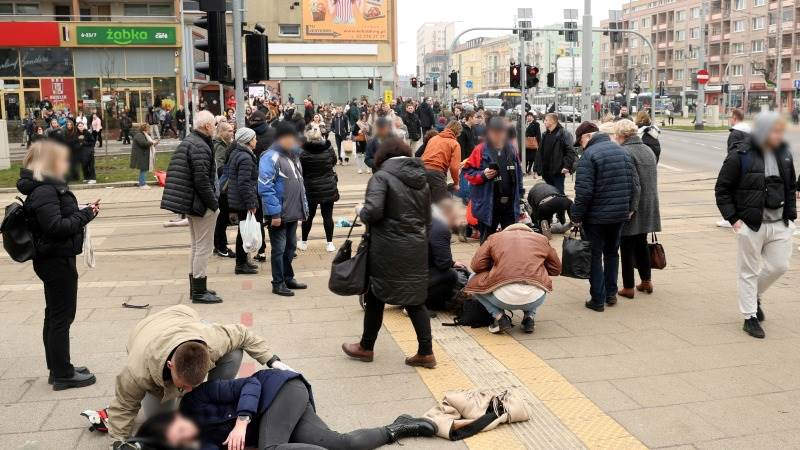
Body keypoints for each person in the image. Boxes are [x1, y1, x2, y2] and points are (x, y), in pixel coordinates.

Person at [94, 305, 288, 443]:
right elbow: (123, 409)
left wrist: (273, 361)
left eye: (193, 385)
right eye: (185, 385)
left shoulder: (212, 342)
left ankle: (215, 393)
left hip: (183, 317)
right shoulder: (136, 372)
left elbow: (243, 333)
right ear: (170, 365)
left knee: (234, 351)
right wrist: (119, 442)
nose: (189, 390)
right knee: (160, 425)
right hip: (145, 332)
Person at [135, 371, 435, 450]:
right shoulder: (201, 443)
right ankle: (399, 427)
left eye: (176, 429)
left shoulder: (195, 400)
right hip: (281, 417)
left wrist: (242, 421)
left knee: (271, 447)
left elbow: (251, 384)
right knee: (342, 443)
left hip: (282, 390)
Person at [342, 138, 435, 369]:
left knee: (375, 294)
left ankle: (366, 347)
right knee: (415, 300)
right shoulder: (422, 180)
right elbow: (428, 218)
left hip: (387, 249)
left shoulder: (381, 177)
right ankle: (426, 352)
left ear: (382, 157)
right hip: (415, 247)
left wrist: (360, 210)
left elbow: (373, 211)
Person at [17, 140, 99, 391]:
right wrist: (86, 215)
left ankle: (58, 368)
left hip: (54, 258)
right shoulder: (45, 190)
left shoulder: (45, 188)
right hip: (56, 259)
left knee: (54, 315)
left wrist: (81, 210)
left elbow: (56, 219)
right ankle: (63, 373)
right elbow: (55, 227)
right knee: (61, 317)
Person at [715, 112, 796, 339]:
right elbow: (722, 189)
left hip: (779, 222)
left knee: (780, 266)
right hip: (751, 224)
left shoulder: (784, 154)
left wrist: (790, 216)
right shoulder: (740, 155)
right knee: (748, 271)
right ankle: (749, 316)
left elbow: (789, 187)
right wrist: (734, 220)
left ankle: (754, 295)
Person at [571, 121, 640, 313]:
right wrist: (630, 209)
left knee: (594, 256)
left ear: (587, 137)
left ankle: (597, 299)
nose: (580, 147)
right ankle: (611, 294)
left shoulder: (589, 156)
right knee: (611, 253)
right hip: (619, 215)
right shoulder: (623, 151)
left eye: (580, 142)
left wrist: (576, 216)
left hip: (596, 218)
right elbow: (635, 185)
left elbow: (583, 193)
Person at [161, 110, 223, 304]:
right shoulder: (200, 146)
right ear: (206, 126)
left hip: (191, 203)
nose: (215, 127)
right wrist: (214, 205)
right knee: (204, 247)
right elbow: (202, 181)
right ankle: (198, 290)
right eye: (214, 124)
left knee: (197, 246)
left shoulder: (191, 141)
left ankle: (197, 286)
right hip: (200, 205)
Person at [465, 223, 561, 334]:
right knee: (539, 278)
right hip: (535, 299)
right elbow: (556, 269)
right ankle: (529, 318)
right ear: (529, 231)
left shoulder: (495, 238)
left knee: (473, 278)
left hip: (501, 299)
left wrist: (495, 266)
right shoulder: (542, 239)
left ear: (506, 231)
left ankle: (499, 317)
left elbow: (477, 266)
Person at [612, 120, 661, 300]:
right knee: (641, 243)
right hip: (649, 205)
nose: (615, 138)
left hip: (633, 205)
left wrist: (630, 208)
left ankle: (628, 287)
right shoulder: (648, 150)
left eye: (616, 135)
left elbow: (634, 185)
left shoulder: (625, 152)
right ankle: (646, 280)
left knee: (626, 245)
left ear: (623, 135)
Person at [259, 122, 309, 297]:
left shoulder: (293, 156)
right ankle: (278, 282)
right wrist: (274, 213)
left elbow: (299, 184)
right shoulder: (270, 157)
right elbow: (265, 186)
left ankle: (288, 277)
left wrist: (304, 208)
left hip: (292, 212)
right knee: (279, 249)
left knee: (290, 247)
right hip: (279, 214)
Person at [463, 117, 525, 243]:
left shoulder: (511, 150)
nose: (497, 135)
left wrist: (520, 195)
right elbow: (467, 172)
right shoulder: (480, 150)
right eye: (494, 132)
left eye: (500, 131)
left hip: (509, 206)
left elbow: (518, 174)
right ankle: (486, 263)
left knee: (511, 243)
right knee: (487, 243)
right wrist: (483, 175)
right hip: (488, 206)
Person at [299, 126, 339, 253]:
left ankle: (304, 242)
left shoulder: (303, 152)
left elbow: (300, 169)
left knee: (308, 216)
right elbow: (334, 161)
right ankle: (330, 243)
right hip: (328, 186)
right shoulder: (328, 149)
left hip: (310, 187)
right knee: (327, 216)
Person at [226, 128, 261, 275]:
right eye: (254, 138)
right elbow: (244, 183)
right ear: (248, 140)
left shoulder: (240, 153)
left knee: (243, 231)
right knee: (244, 232)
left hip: (239, 198)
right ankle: (240, 264)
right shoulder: (245, 157)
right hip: (243, 200)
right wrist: (251, 203)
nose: (256, 141)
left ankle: (243, 261)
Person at [425, 199, 463, 311]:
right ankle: (421, 304)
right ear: (449, 214)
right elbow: (443, 264)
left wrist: (453, 263)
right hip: (412, 281)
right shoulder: (441, 228)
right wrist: (451, 264)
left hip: (398, 279)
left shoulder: (430, 221)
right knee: (451, 275)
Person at [421, 120, 462, 203]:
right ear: (458, 133)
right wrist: (456, 183)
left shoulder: (433, 138)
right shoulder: (454, 144)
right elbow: (454, 167)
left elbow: (424, 154)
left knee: (424, 201)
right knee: (441, 204)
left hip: (421, 170)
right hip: (437, 173)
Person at [212, 121, 236, 258]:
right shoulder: (220, 146)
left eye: (232, 130)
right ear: (220, 132)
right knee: (222, 218)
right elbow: (219, 167)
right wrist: (230, 172)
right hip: (222, 188)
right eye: (228, 131)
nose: (231, 133)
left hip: (221, 187)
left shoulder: (223, 144)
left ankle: (220, 245)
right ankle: (221, 247)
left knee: (222, 218)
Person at [537, 113, 575, 194]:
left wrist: (566, 166)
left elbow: (570, 151)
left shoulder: (564, 134)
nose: (544, 122)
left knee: (559, 193)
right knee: (550, 194)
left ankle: (561, 206)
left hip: (558, 171)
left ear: (552, 121)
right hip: (546, 171)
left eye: (546, 120)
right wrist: (537, 167)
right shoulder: (545, 134)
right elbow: (540, 152)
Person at [130, 124, 157, 189]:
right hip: (140, 155)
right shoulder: (139, 135)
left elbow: (147, 144)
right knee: (143, 169)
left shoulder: (145, 135)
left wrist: (154, 143)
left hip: (143, 155)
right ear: (145, 129)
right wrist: (152, 142)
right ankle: (142, 184)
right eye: (148, 128)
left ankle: (142, 183)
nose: (149, 129)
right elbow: (143, 143)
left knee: (144, 169)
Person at [524, 112, 542, 176]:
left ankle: (529, 169)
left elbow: (538, 134)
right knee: (525, 157)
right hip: (525, 143)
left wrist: (539, 144)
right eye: (528, 116)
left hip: (532, 143)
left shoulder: (536, 124)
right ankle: (525, 170)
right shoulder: (524, 124)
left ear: (533, 117)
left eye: (530, 116)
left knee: (531, 157)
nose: (529, 117)